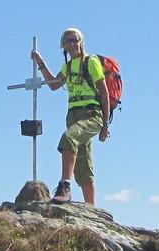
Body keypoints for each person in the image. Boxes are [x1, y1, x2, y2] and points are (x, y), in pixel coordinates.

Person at [30, 28, 110, 205]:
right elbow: (54, 84)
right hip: (73, 115)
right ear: (63, 46)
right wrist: (40, 62)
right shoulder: (67, 67)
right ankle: (92, 209)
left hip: (91, 113)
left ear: (81, 42)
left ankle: (64, 185)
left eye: (74, 40)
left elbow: (104, 93)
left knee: (69, 138)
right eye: (67, 41)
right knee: (83, 164)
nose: (71, 44)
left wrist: (105, 125)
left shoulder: (91, 62)